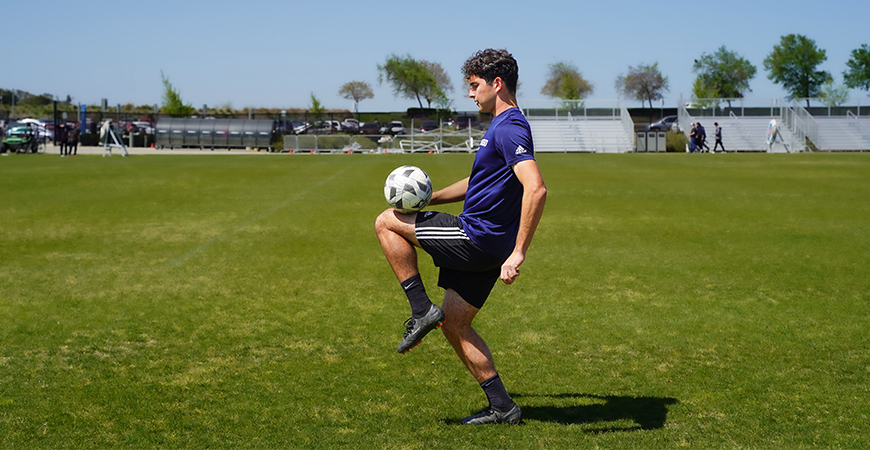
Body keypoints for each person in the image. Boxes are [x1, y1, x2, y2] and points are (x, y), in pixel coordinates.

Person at [374, 48, 547, 425]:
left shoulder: (510, 126)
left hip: (477, 238)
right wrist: (428, 198)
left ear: (496, 83)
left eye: (474, 85)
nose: (470, 94)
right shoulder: (500, 127)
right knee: (455, 323)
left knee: (387, 221)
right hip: (489, 247)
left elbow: (536, 189)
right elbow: (479, 182)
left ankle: (420, 309)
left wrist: (519, 253)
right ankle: (503, 407)